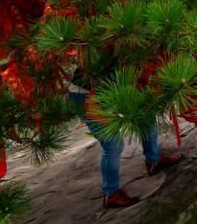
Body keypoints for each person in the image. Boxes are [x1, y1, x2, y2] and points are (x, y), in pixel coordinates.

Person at [67, 74, 182, 209]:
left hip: (112, 88)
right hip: (87, 96)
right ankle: (111, 194)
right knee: (112, 144)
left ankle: (154, 160)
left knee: (147, 114)